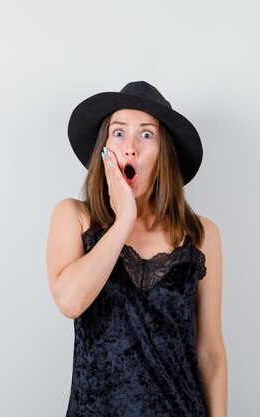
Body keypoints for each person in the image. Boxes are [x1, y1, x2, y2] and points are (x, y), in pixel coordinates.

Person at [45, 81, 227, 416]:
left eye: (146, 134)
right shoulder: (73, 216)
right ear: (105, 147)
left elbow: (211, 351)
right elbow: (69, 301)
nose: (131, 148)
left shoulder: (201, 235)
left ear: (163, 154)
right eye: (118, 133)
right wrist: (124, 219)